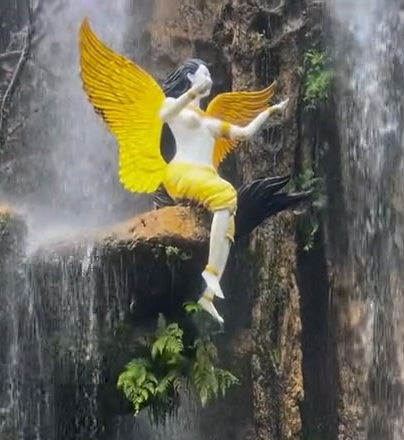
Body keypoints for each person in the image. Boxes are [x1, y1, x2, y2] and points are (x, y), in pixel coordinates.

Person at [79, 20, 292, 325]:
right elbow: (163, 114)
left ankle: (209, 290)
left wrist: (270, 112)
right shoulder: (172, 105)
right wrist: (190, 92)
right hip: (179, 174)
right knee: (227, 195)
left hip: (204, 175)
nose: (209, 78)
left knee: (229, 215)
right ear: (191, 77)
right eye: (203, 73)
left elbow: (243, 133)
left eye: (208, 74)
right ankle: (209, 274)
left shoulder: (209, 118)